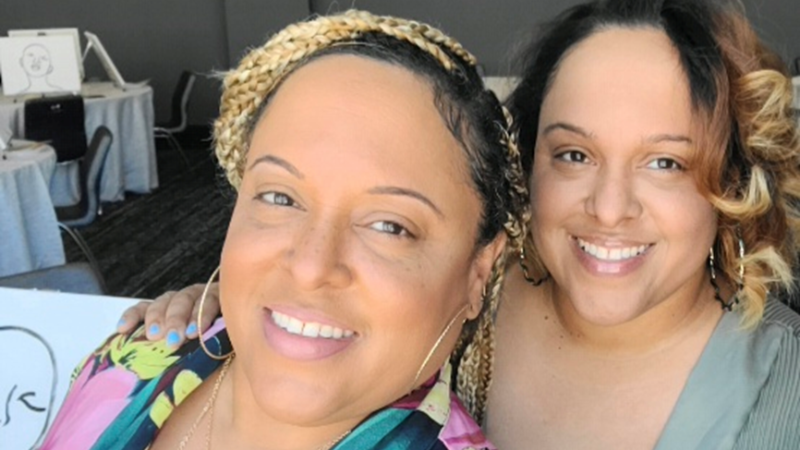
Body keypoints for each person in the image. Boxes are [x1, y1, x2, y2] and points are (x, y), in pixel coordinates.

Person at [126, 0, 800, 448]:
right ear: (527, 167)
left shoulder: (780, 389)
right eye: (573, 154)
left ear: (733, 183)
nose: (610, 205)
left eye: (664, 162)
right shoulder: (462, 290)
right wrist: (217, 310)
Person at [40, 10, 533, 450]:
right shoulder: (131, 361)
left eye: (390, 226)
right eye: (280, 197)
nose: (311, 265)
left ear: (477, 273)